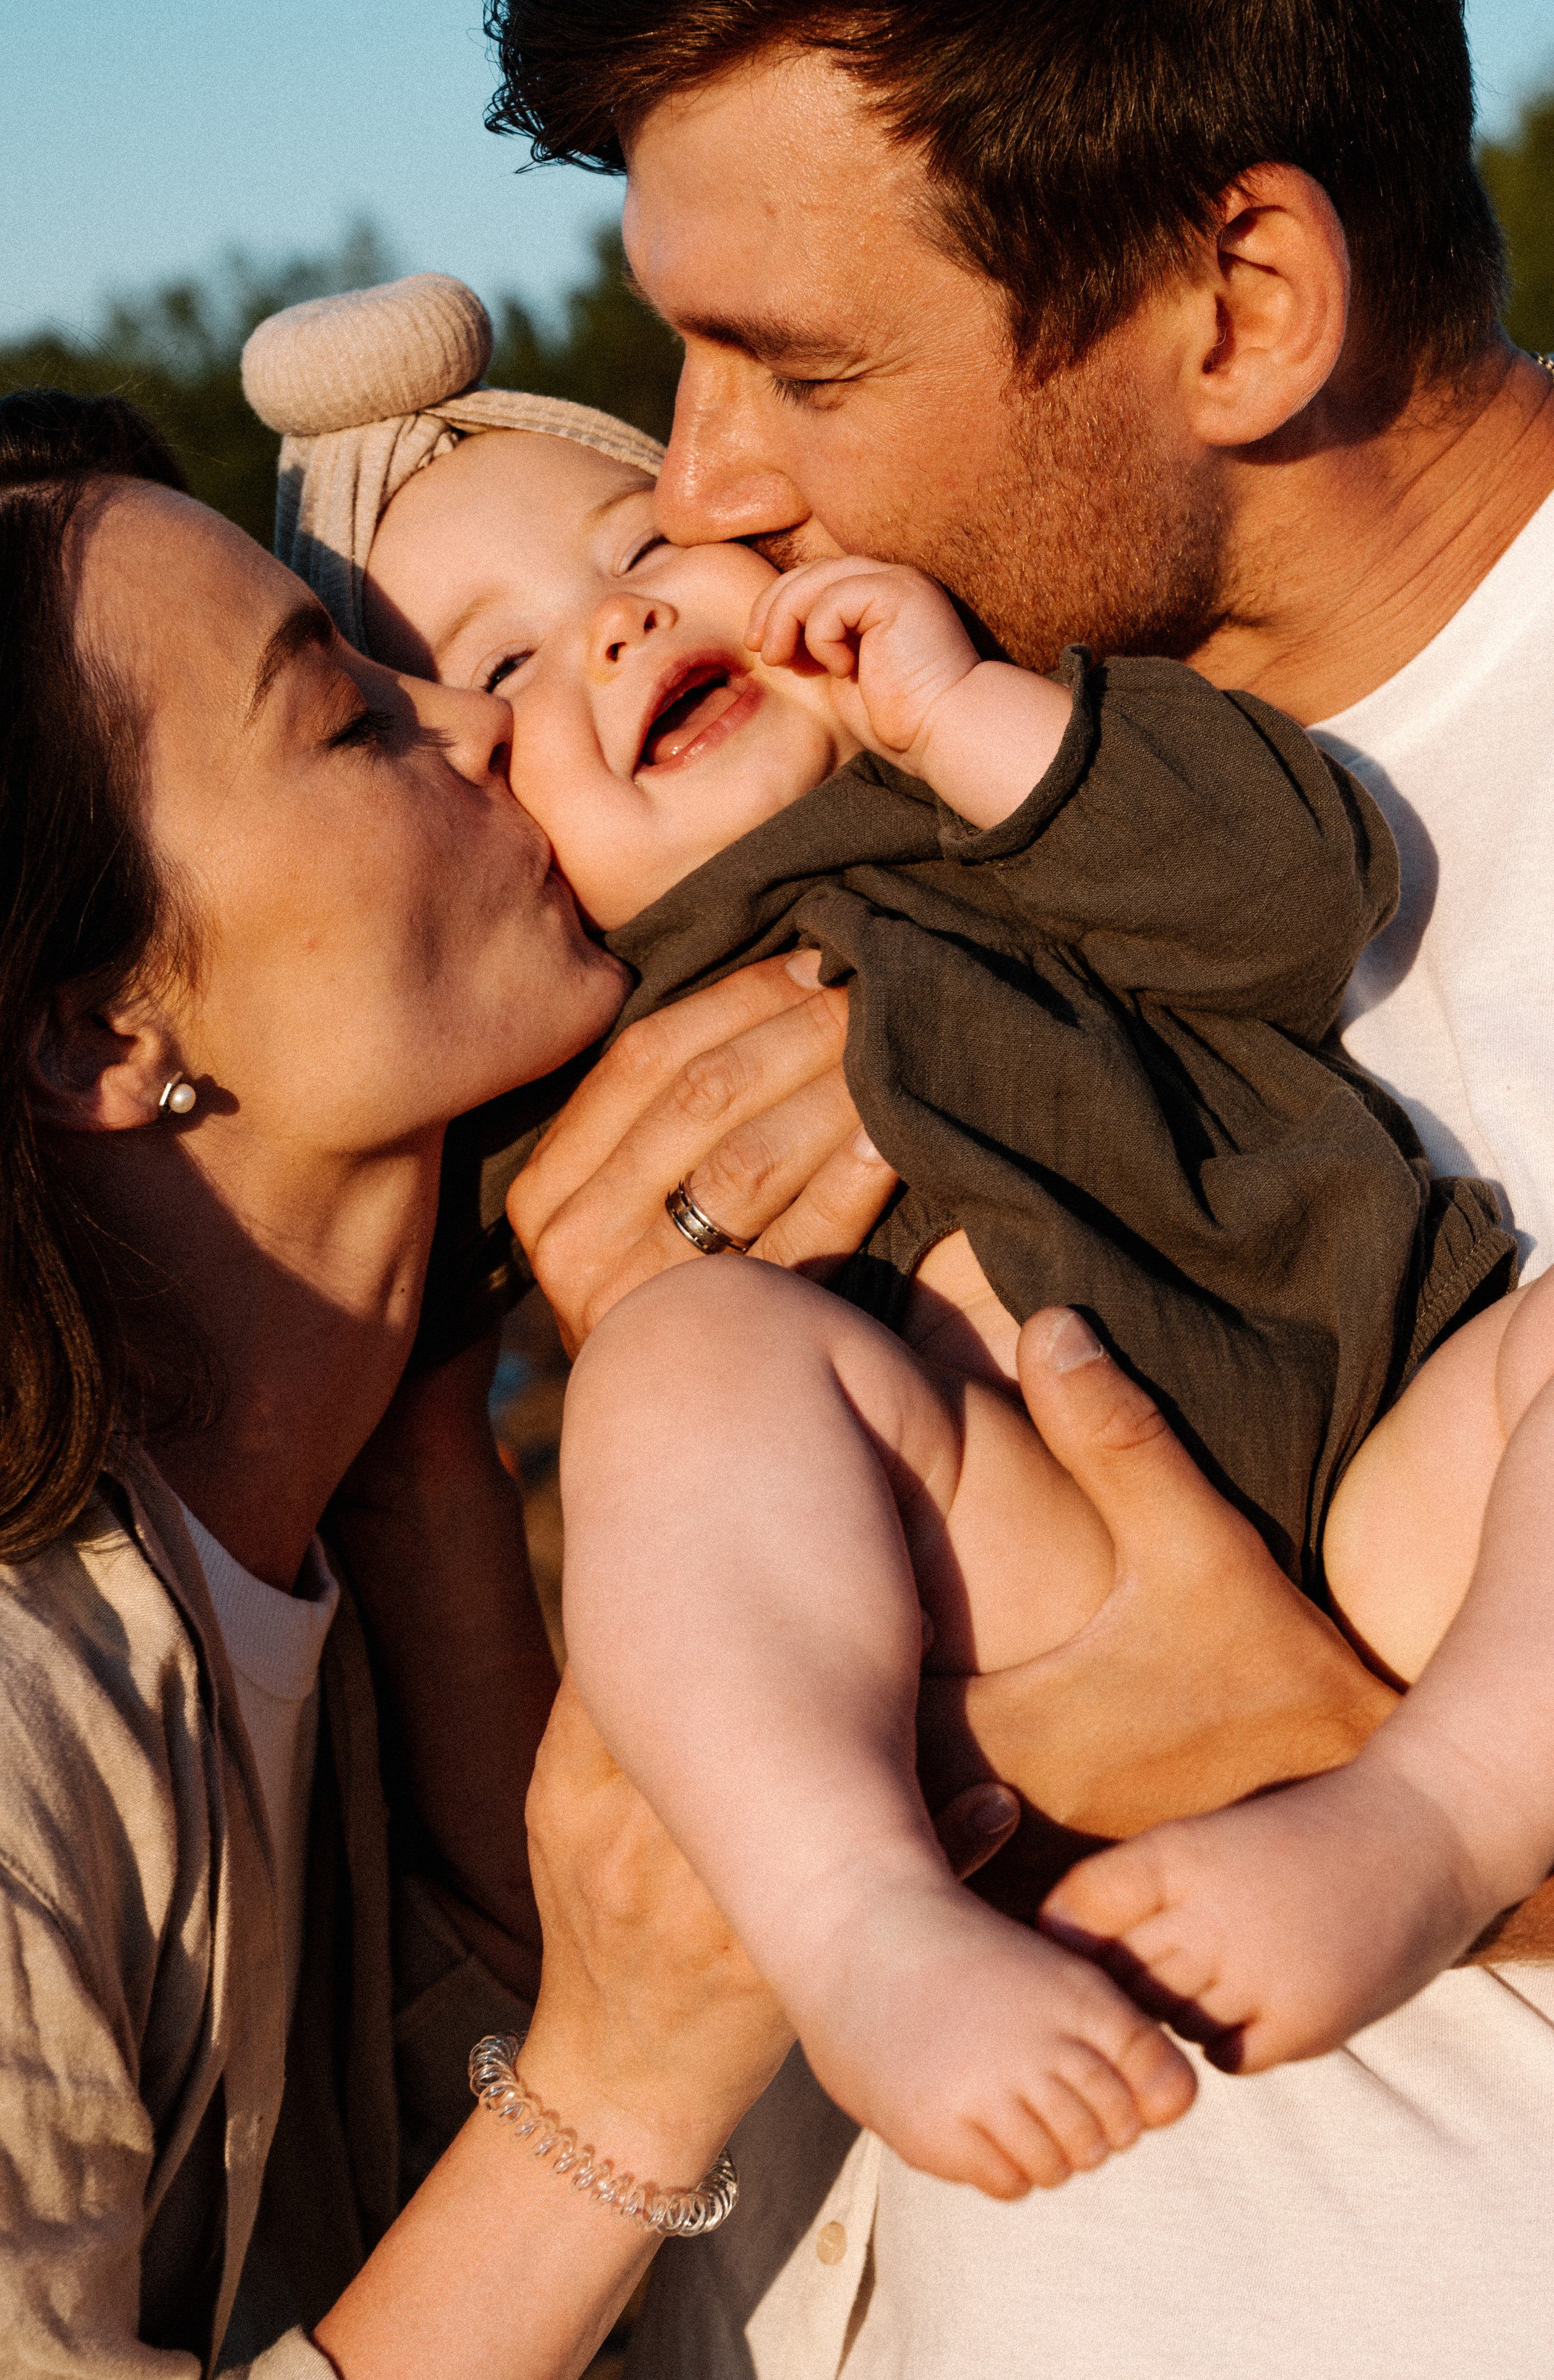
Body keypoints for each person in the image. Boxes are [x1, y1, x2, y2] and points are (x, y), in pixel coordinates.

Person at [471, 1, 1554, 2373]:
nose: (703, 485)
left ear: (1239, 309)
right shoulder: (824, 799)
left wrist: (1343, 1763)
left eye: (799, 369)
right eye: (682, 358)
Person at [0, 383, 871, 2380]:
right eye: (354, 719)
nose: (485, 731)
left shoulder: (302, 1554)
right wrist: (616, 2094)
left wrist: (435, 1488)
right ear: (100, 1027)